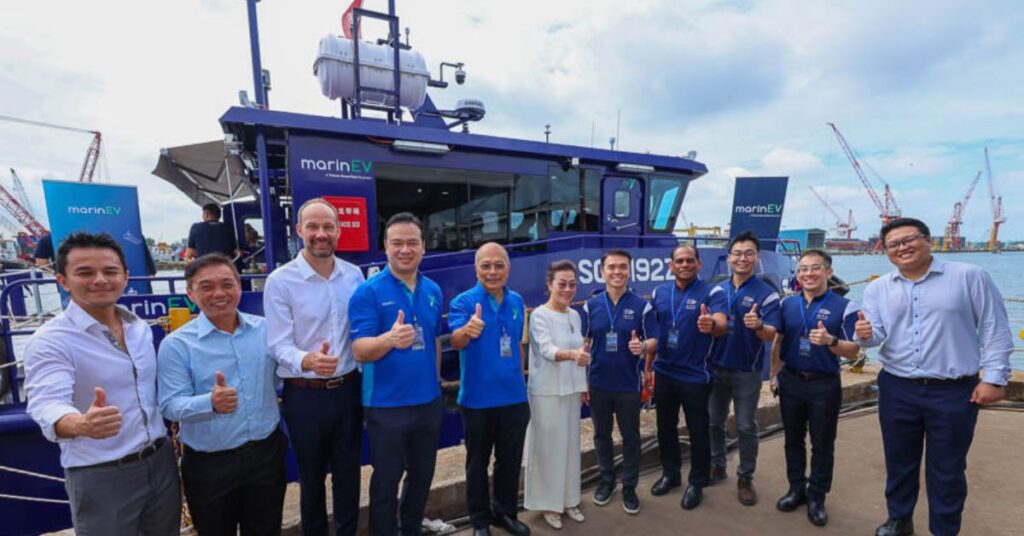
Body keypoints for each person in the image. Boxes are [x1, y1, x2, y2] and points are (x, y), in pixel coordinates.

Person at [856, 218, 1013, 536]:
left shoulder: (969, 276)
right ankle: (899, 518)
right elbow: (876, 336)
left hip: (953, 390)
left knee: (948, 467)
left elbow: (994, 327)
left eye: (909, 239)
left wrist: (994, 378)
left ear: (928, 240)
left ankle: (944, 529)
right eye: (893, 244)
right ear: (885, 251)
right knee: (899, 460)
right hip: (897, 386)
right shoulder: (878, 288)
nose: (902, 248)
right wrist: (864, 335)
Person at [23, 231, 180, 535]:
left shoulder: (138, 328)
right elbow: (46, 402)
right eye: (85, 272)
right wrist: (80, 424)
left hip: (160, 463)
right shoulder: (51, 341)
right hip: (102, 473)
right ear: (63, 280)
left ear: (125, 276)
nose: (100, 280)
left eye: (110, 271)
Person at [158, 253, 286, 536]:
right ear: (190, 293)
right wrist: (210, 403)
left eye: (227, 284)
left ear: (239, 286)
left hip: (265, 455)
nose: (219, 293)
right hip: (210, 465)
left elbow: (284, 371)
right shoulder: (177, 345)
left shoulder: (266, 330)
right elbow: (169, 404)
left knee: (267, 530)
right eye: (206, 286)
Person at [263, 198, 366, 536]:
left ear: (338, 230)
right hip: (305, 394)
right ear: (299, 230)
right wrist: (306, 360)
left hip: (348, 389)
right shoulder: (280, 281)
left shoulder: (354, 276)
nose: (321, 234)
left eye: (328, 227)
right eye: (312, 226)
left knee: (349, 475)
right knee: (311, 478)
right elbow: (277, 343)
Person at [350, 212, 444, 536]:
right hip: (386, 405)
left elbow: (434, 339)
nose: (405, 249)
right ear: (386, 247)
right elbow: (359, 350)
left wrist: (436, 384)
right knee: (386, 483)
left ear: (423, 247)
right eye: (397, 243)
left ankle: (411, 529)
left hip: (428, 402)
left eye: (412, 243)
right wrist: (389, 339)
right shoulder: (368, 292)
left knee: (421, 478)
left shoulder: (433, 289)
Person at [768, 249, 860, 527]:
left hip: (824, 384)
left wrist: (831, 341)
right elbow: (779, 341)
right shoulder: (787, 305)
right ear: (797, 275)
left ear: (828, 272)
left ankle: (817, 495)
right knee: (792, 439)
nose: (808, 274)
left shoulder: (846, 306)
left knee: (822, 443)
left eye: (815, 268)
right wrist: (774, 374)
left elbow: (853, 350)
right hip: (792, 380)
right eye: (803, 269)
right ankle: (796, 488)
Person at [449, 243, 531, 536]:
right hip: (477, 400)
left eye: (499, 265)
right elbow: (456, 341)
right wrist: (466, 331)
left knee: (510, 461)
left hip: (514, 398)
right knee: (477, 464)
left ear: (508, 268)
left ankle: (504, 513)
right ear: (476, 269)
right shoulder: (463, 302)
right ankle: (480, 521)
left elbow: (517, 344)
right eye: (486, 266)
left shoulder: (517, 300)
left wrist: (520, 381)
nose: (492, 272)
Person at [647, 244, 728, 510]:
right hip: (664, 372)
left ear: (699, 264)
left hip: (695, 375)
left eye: (690, 260)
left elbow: (721, 323)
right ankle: (671, 474)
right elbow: (654, 334)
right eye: (679, 261)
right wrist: (647, 367)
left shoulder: (713, 292)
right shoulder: (659, 293)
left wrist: (711, 324)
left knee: (698, 430)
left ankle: (697, 481)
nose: (685, 265)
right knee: (665, 427)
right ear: (671, 265)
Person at [582, 249, 657, 515]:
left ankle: (629, 486)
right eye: (611, 267)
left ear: (629, 270)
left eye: (622, 267)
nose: (617, 272)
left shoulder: (642, 305)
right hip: (599, 383)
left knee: (630, 437)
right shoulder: (590, 306)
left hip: (628, 384)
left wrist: (643, 346)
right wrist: (583, 382)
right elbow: (584, 344)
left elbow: (654, 340)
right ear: (602, 271)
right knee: (601, 435)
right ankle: (607, 480)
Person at [709, 230, 780, 506]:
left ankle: (745, 477)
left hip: (746, 371)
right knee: (714, 420)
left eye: (749, 253)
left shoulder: (767, 293)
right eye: (737, 253)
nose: (742, 258)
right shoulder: (716, 289)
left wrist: (759, 326)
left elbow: (772, 333)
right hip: (715, 367)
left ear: (757, 257)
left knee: (745, 425)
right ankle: (717, 465)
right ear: (729, 258)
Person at [524, 260, 590, 530]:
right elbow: (547, 350)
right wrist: (573, 355)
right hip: (547, 392)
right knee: (548, 450)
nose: (567, 289)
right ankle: (548, 504)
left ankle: (569, 499)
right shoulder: (539, 315)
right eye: (562, 284)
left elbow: (581, 352)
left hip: (571, 390)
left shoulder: (575, 315)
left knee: (570, 448)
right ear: (550, 285)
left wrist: (583, 384)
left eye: (572, 284)